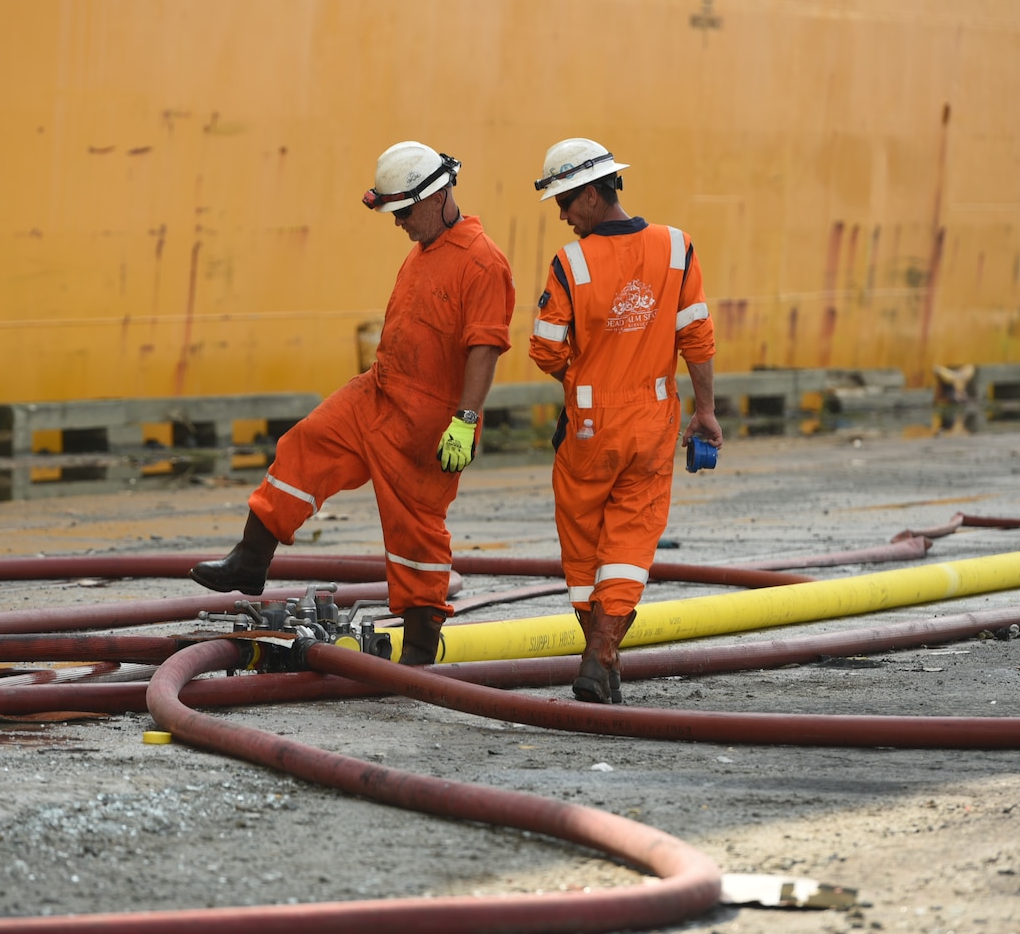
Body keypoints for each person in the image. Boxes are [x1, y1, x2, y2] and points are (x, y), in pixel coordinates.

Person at [191, 142, 515, 665]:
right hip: (379, 391)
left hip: (430, 422)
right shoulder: (424, 250)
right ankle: (249, 562)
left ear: (437, 197)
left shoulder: (482, 262)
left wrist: (466, 419)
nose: (399, 223)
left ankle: (417, 658)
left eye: (404, 212)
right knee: (305, 446)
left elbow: (485, 346)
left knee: (415, 534)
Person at [528, 138, 722, 703]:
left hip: (589, 424)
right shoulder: (676, 247)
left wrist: (585, 377)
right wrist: (705, 412)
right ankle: (602, 655)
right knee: (632, 539)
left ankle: (599, 653)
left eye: (565, 201)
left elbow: (544, 349)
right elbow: (698, 338)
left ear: (592, 193)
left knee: (585, 545)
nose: (563, 215)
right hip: (653, 420)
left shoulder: (572, 262)